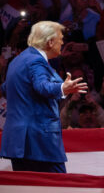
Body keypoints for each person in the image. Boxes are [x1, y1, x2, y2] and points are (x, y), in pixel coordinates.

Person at [0, 21, 88, 173]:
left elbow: (6, 89)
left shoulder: (18, 60)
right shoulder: (36, 61)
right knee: (59, 187)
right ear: (50, 41)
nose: (62, 42)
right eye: (60, 39)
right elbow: (42, 87)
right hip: (39, 142)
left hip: (18, 142)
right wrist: (62, 88)